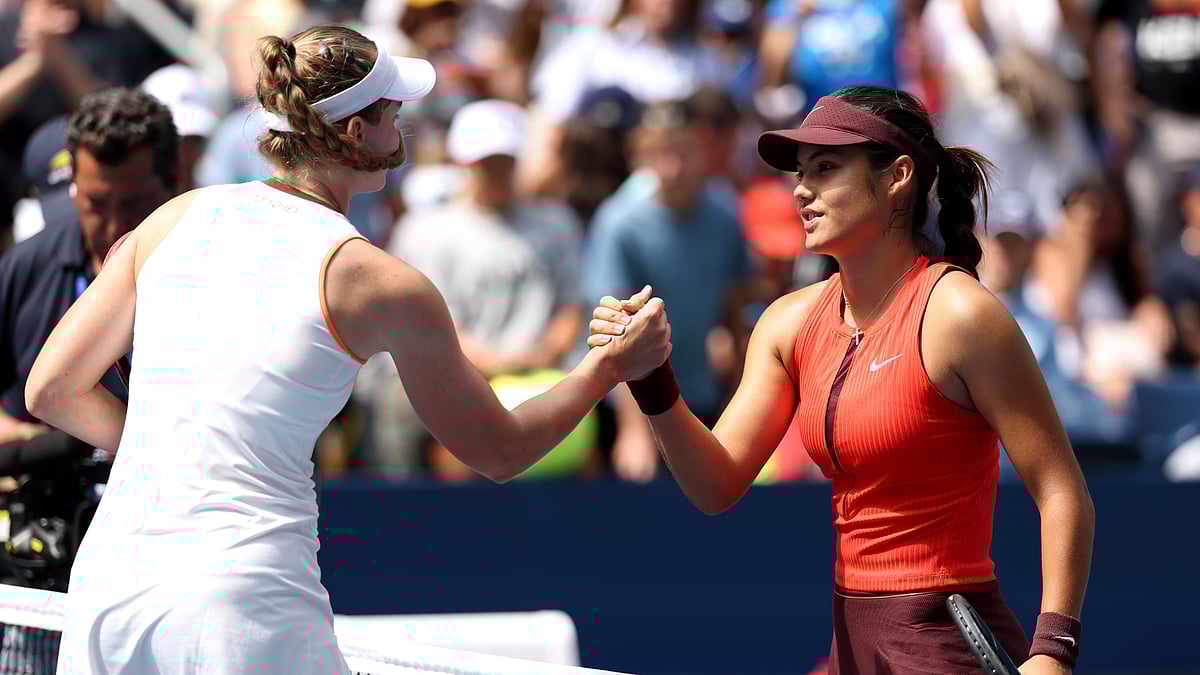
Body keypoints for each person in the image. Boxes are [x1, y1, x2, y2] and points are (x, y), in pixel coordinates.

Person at [24, 25, 670, 674]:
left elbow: (51, 389)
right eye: (392, 114)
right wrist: (606, 367)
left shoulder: (171, 219)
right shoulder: (381, 282)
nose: (403, 130)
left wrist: (162, 446)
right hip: (242, 600)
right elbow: (500, 451)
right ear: (356, 135)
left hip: (110, 584)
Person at [588, 86, 1095, 674]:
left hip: (950, 645)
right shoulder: (788, 321)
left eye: (826, 169)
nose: (802, 189)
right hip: (852, 649)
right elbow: (714, 484)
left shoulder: (960, 314)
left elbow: (1063, 491)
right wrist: (653, 377)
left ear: (898, 176)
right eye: (800, 173)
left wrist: (1053, 651)